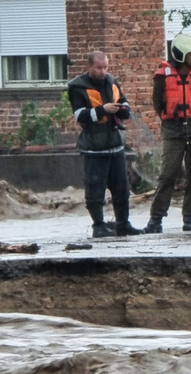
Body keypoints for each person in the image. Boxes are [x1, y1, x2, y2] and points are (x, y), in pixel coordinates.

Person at [67, 51, 143, 237]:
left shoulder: (111, 82)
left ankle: (123, 224)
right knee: (95, 188)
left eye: (105, 67)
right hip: (94, 148)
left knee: (122, 188)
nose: (103, 72)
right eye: (99, 68)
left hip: (116, 145)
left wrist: (123, 109)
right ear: (89, 67)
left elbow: (124, 103)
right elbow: (79, 115)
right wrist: (103, 110)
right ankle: (98, 226)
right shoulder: (78, 87)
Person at [145, 34, 191, 233]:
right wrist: (170, 119)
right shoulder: (162, 75)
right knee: (167, 173)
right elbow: (158, 103)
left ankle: (189, 217)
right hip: (172, 128)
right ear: (181, 54)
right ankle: (156, 218)